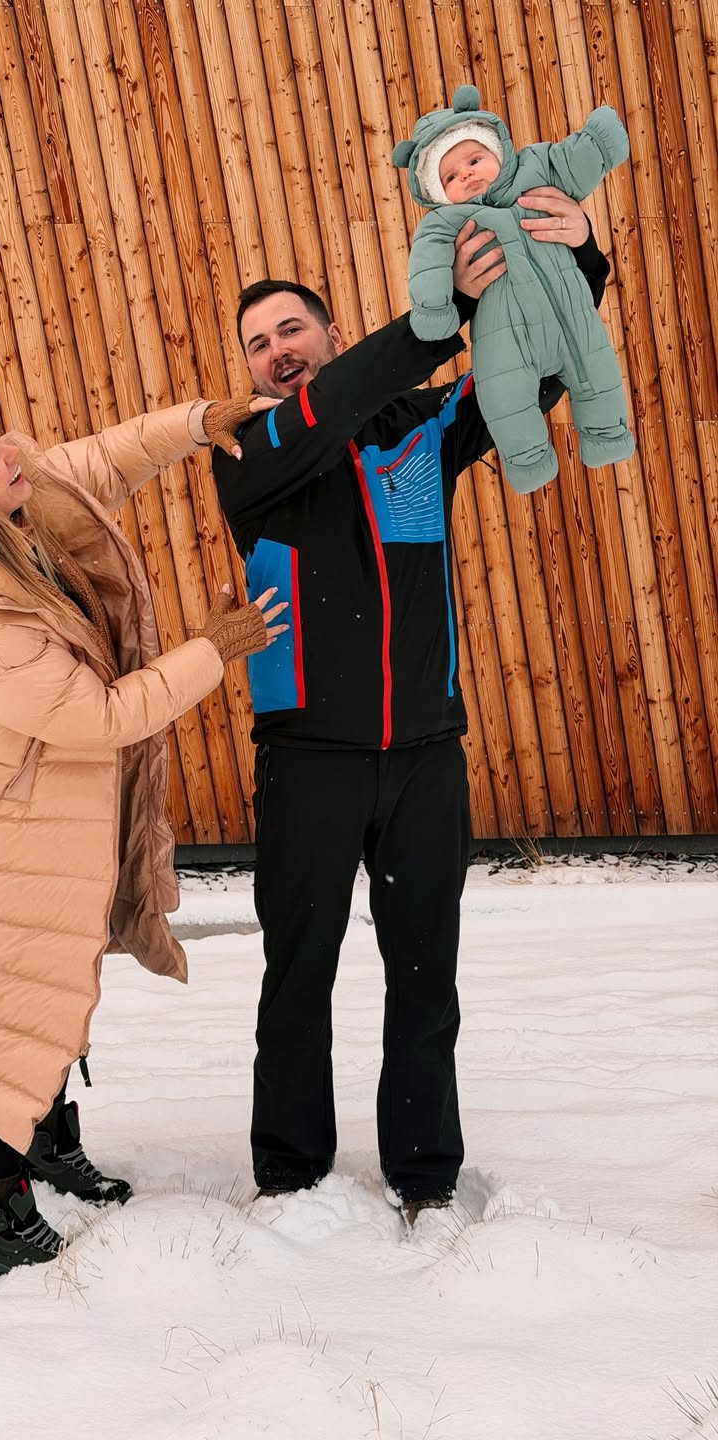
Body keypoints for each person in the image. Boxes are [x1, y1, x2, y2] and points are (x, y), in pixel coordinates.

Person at [210, 190, 610, 1226]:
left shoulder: (420, 428)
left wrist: (580, 263)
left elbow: (535, 369)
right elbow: (333, 406)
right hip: (308, 760)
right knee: (297, 978)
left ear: (330, 333)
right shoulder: (249, 454)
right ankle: (289, 1175)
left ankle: (426, 1175)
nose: (278, 351)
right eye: (258, 343)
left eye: (292, 329)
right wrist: (435, 319)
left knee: (427, 979)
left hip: (427, 754)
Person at [0, 395, 287, 1280]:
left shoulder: (1, 511)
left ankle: (47, 1140)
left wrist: (199, 422)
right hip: (14, 837)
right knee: (8, 1008)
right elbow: (103, 715)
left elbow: (103, 461)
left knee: (56, 984)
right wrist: (212, 650)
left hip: (60, 811)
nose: (15, 452)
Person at [391, 84, 634, 491]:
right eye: (450, 176)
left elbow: (571, 162)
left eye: (474, 159)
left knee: (597, 372)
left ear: (497, 151)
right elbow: (426, 264)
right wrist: (433, 310)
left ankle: (606, 434)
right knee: (504, 398)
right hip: (503, 338)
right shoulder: (444, 223)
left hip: (573, 318)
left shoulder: (534, 168)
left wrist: (598, 141)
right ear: (436, 192)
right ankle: (528, 460)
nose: (466, 174)